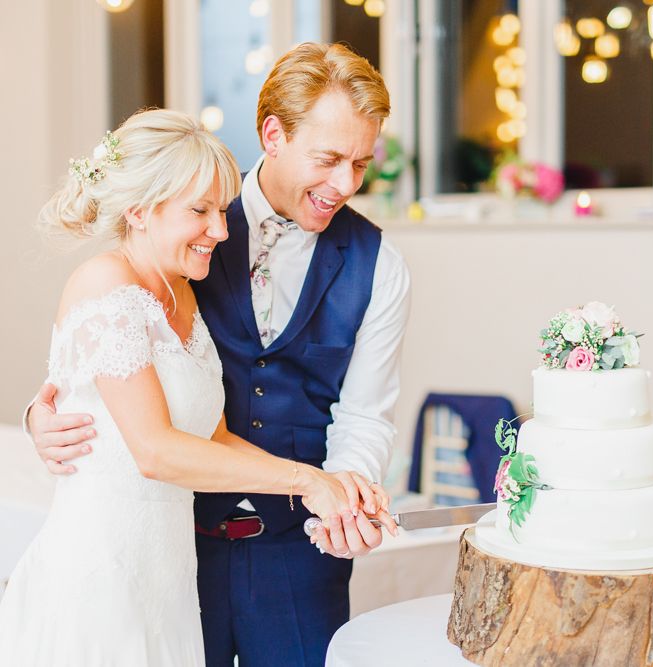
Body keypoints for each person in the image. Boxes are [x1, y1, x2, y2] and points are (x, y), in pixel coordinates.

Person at [27, 42, 410, 666]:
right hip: (176, 548)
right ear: (273, 134)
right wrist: (45, 413)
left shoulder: (379, 266)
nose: (345, 184)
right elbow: (107, 340)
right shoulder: (191, 219)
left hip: (295, 555)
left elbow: (365, 414)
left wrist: (344, 494)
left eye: (361, 164)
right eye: (329, 158)